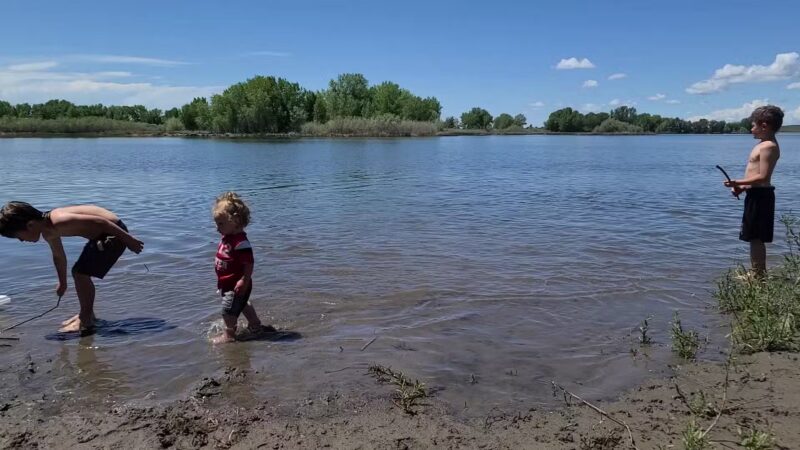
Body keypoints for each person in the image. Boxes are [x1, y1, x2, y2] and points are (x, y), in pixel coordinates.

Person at [0, 202, 144, 332]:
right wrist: (63, 282)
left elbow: (100, 222)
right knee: (79, 273)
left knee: (80, 274)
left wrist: (129, 240)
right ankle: (87, 314)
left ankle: (86, 318)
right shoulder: (48, 230)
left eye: (19, 236)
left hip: (114, 233)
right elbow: (59, 256)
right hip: (102, 234)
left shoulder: (59, 221)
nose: (21, 241)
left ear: (30, 225)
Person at [724, 105, 783, 277]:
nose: (751, 129)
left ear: (764, 126)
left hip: (761, 197)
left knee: (756, 238)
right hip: (755, 194)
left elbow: (763, 177)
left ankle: (758, 276)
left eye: (753, 125)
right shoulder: (762, 144)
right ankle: (757, 273)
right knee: (752, 237)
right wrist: (742, 188)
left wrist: (737, 181)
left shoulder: (768, 147)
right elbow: (755, 175)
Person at [212, 192, 271, 343]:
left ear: (236, 221)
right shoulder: (228, 237)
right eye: (217, 223)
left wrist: (244, 280)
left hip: (237, 283)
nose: (217, 228)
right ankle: (255, 324)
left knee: (227, 311)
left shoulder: (241, 242)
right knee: (242, 303)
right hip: (227, 282)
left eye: (221, 224)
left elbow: (249, 263)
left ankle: (229, 336)